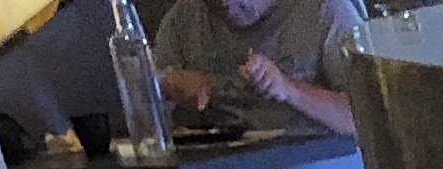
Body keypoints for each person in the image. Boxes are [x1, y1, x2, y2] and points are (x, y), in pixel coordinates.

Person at [152, 0, 363, 137]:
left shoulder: (325, 9)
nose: (224, 4)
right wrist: (167, 86)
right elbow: (142, 113)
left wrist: (288, 89)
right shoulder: (183, 19)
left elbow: (366, 117)